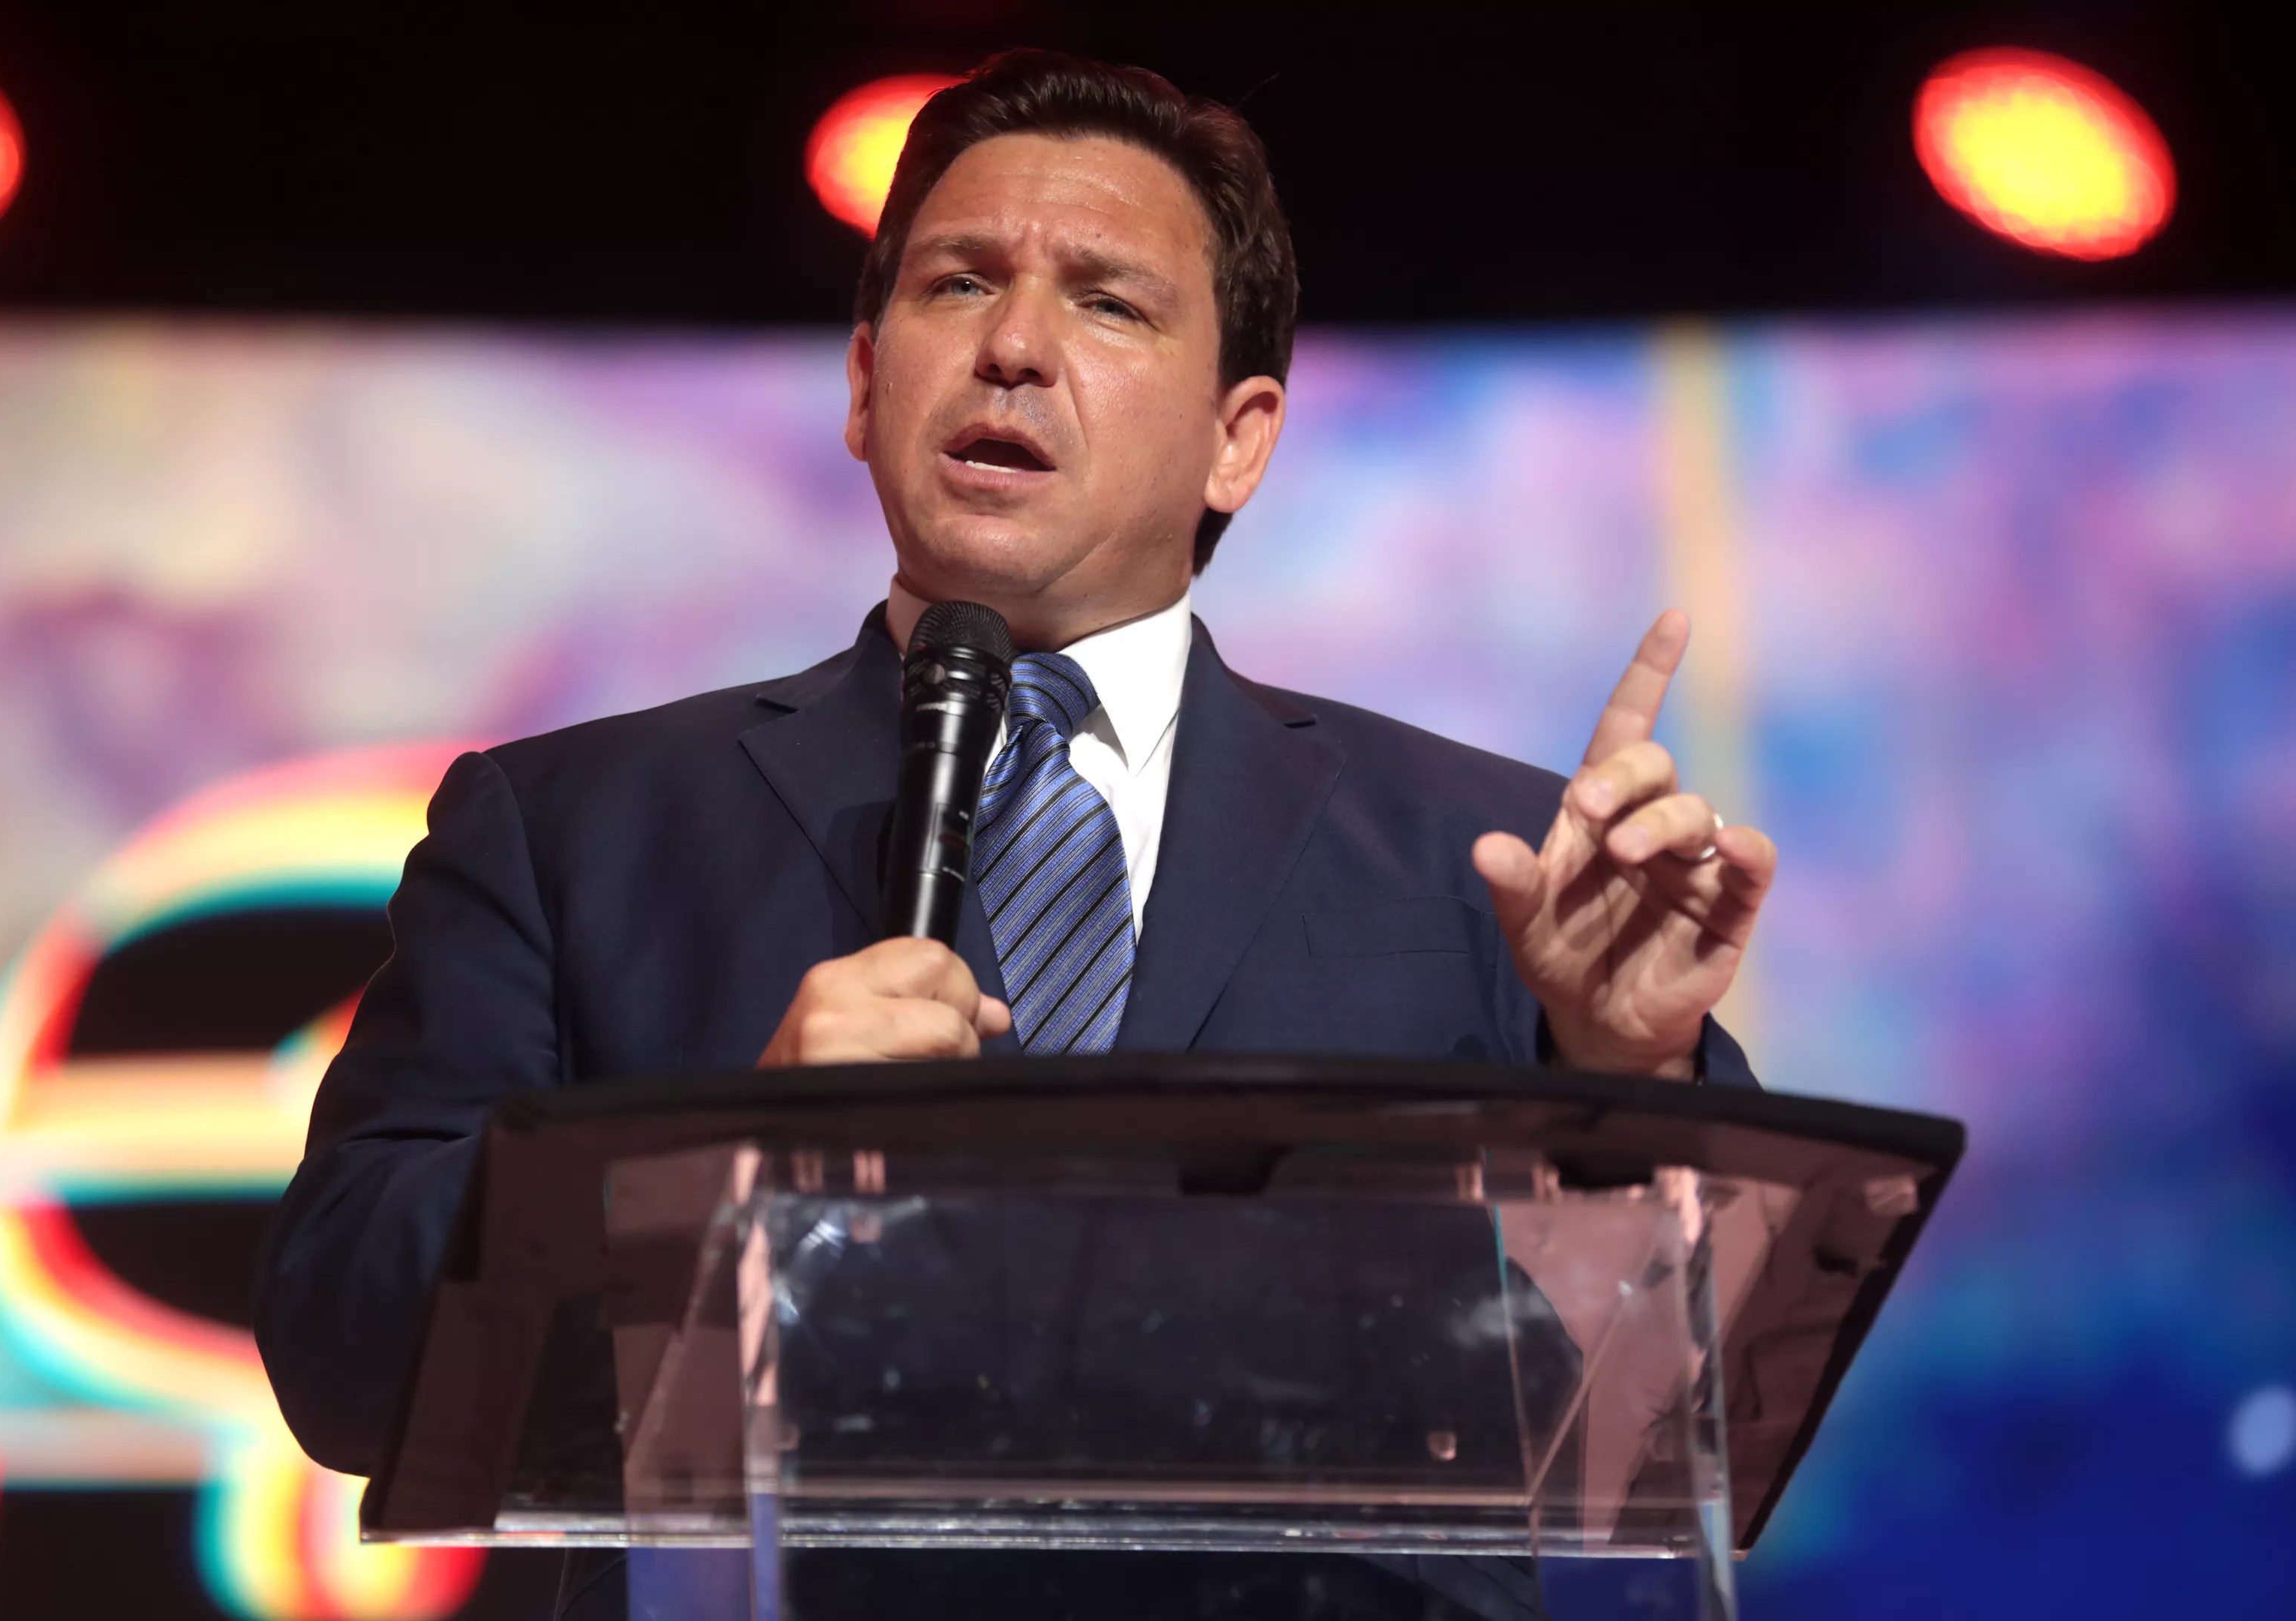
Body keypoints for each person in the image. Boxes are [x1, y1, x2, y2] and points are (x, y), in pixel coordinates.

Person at [257, 48, 1776, 1620]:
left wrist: (1630, 1078)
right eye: (959, 283)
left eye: (1109, 303)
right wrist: (710, 1173)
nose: (1014, 347)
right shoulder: (575, 827)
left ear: (1239, 439)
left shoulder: (1486, 860)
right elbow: (344, 1347)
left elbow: (1693, 1417)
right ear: (865, 384)